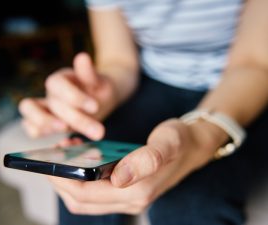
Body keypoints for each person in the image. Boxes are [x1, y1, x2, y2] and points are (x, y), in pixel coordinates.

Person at [18, 0, 268, 224]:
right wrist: (96, 94)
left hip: (247, 87)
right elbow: (119, 60)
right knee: (82, 171)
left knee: (191, 206)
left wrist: (200, 138)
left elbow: (254, 64)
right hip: (153, 80)